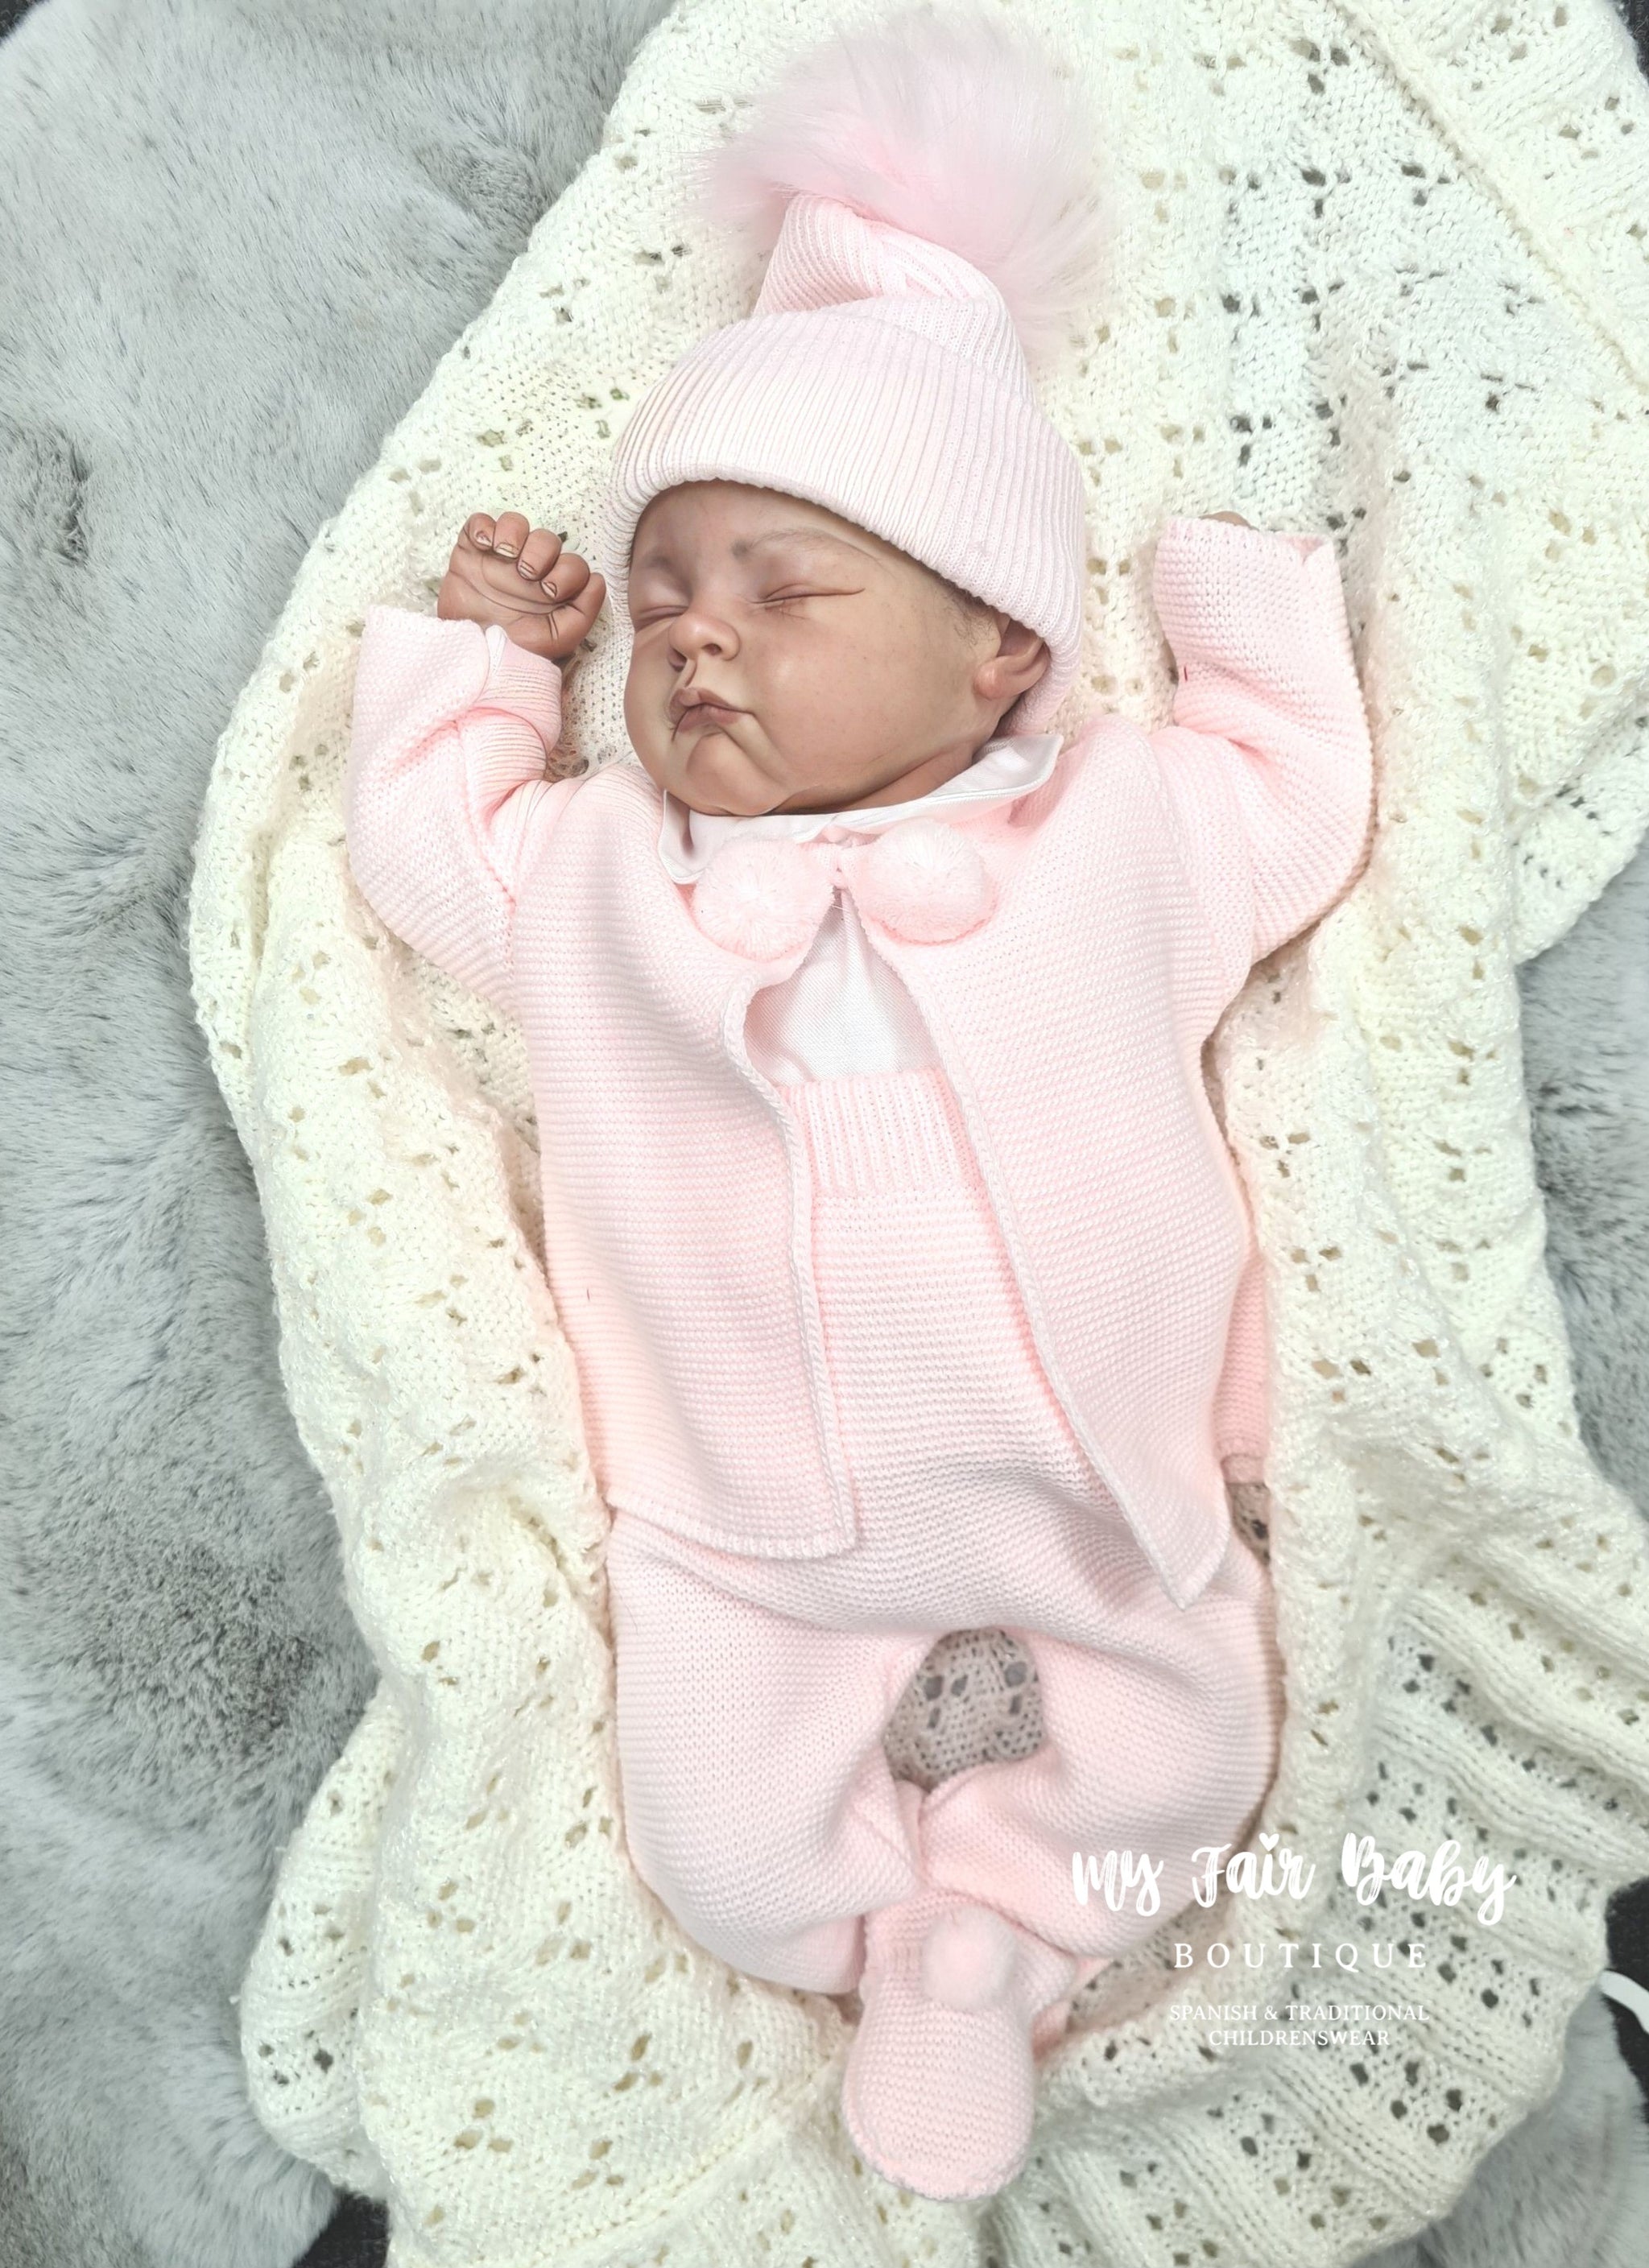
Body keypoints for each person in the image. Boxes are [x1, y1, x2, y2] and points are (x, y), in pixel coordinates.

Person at [343, 9, 1374, 2200]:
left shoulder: (1113, 833)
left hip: (1096, 1485)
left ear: (1000, 650)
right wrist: (488, 663)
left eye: (784, 591)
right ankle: (882, 1943)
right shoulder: (602, 877)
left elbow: (1294, 802)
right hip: (737, 1520)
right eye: (660, 603)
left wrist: (1249, 621)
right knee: (719, 1842)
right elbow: (427, 848)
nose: (694, 642)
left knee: (1184, 1760)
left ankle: (990, 1940)